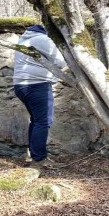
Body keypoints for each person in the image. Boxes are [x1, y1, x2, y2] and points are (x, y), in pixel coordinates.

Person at [13, 24, 67, 169]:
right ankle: (39, 159)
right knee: (43, 122)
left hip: (20, 86)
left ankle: (35, 155)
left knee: (36, 121)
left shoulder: (23, 39)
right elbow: (61, 61)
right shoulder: (42, 39)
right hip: (36, 85)